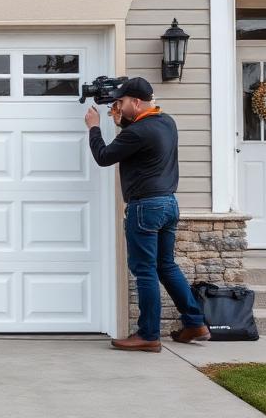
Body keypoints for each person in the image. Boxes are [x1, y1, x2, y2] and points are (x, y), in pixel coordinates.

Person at [84, 77, 209, 352]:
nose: (118, 106)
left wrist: (94, 127)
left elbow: (104, 156)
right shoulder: (167, 122)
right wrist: (122, 122)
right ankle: (195, 322)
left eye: (122, 102)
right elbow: (139, 140)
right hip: (168, 204)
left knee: (145, 271)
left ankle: (148, 335)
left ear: (136, 102)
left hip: (146, 208)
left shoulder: (137, 132)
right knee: (166, 266)